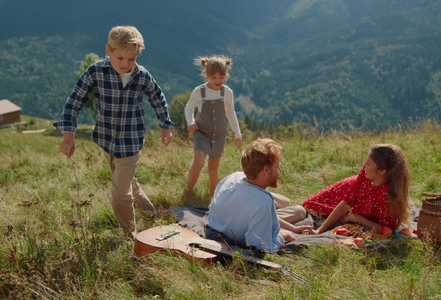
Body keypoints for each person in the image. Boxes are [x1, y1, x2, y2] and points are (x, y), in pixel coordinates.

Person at [54, 26, 174, 238]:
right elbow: (74, 101)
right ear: (108, 50)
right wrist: (68, 135)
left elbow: (157, 97)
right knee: (127, 182)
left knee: (119, 194)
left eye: (131, 59)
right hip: (107, 139)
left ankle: (131, 237)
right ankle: (150, 213)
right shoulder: (95, 72)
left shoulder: (142, 75)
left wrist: (165, 124)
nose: (126, 64)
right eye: (120, 58)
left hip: (132, 140)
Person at [206, 138, 312, 253]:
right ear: (265, 170)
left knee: (295, 208)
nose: (280, 170)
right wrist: (281, 236)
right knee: (299, 211)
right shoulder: (262, 202)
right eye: (277, 166)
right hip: (238, 227)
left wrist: (292, 228)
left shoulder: (233, 177)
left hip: (222, 224)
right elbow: (259, 246)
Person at [303, 144, 412, 234]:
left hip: (360, 202)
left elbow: (386, 230)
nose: (364, 165)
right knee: (309, 205)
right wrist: (320, 230)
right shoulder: (365, 174)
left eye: (368, 163)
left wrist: (357, 218)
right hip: (348, 187)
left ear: (382, 171)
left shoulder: (388, 193)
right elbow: (346, 203)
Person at [184, 55, 242, 197]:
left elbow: (231, 113)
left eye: (221, 77)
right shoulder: (199, 92)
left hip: (219, 135)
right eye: (213, 77)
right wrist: (190, 122)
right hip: (201, 132)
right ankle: (188, 191)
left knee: (213, 167)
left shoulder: (227, 92)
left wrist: (237, 133)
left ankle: (212, 196)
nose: (218, 81)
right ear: (206, 74)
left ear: (226, 75)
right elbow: (188, 108)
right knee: (198, 161)